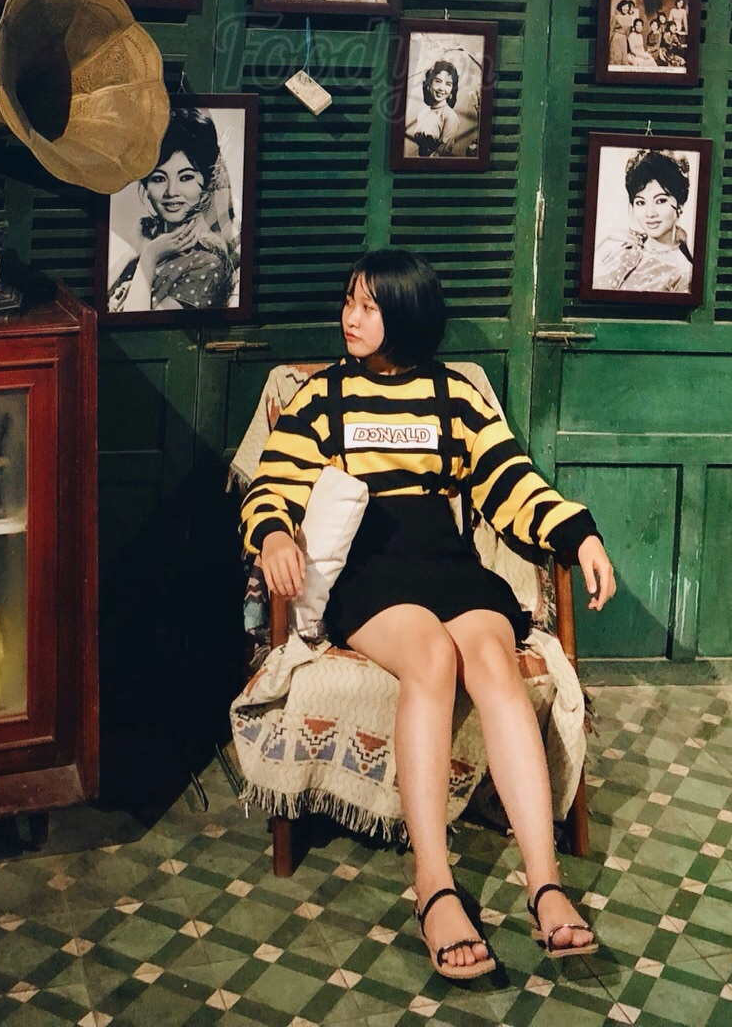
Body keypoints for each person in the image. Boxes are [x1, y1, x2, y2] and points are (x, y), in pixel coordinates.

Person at [242, 251, 615, 979]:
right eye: (348, 302)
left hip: (446, 560)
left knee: (494, 663)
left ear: (406, 313)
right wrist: (276, 533)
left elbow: (511, 481)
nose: (350, 318)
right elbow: (272, 483)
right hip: (370, 569)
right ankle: (434, 886)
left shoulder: (456, 395)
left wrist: (579, 535)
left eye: (369, 306)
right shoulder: (323, 396)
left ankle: (545, 885)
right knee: (431, 655)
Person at [108, 106, 240, 314]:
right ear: (145, 186)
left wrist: (150, 256)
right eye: (159, 178)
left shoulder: (207, 265)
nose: (171, 191)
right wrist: (134, 250)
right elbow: (94, 306)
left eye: (186, 177)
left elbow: (140, 328)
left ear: (205, 183)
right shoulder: (150, 242)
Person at [589, 149, 694, 293]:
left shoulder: (683, 274)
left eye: (660, 201)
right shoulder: (621, 247)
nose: (650, 213)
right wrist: (605, 234)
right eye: (640, 202)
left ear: (680, 204)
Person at [406, 58, 467, 158]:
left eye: (448, 84)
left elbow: (442, 151)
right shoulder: (423, 113)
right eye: (438, 81)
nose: (442, 88)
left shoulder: (450, 116)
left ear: (452, 90)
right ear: (429, 84)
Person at [608, 0, 639, 67]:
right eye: (623, 7)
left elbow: (628, 32)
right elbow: (611, 29)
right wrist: (608, 42)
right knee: (615, 57)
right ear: (620, 7)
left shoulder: (630, 18)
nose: (625, 8)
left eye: (627, 7)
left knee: (623, 58)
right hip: (615, 39)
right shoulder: (616, 17)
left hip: (624, 40)